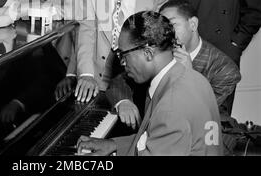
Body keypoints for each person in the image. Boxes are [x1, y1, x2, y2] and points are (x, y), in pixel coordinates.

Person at [77, 11, 222, 156]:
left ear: (148, 53)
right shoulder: (196, 79)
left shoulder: (170, 107)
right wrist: (113, 144)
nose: (123, 63)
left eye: (124, 55)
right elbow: (161, 138)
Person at [107, 0, 241, 129]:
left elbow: (202, 115)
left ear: (193, 24)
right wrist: (123, 102)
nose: (166, 31)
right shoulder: (160, 51)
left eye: (172, 24)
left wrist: (189, 75)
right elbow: (119, 81)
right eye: (163, 27)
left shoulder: (225, 69)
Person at [60, 0, 168, 102]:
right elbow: (86, 32)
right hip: (98, 80)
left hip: (140, 82)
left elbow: (161, 39)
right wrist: (86, 74)